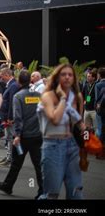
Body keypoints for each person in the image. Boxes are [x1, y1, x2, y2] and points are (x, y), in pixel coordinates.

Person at [38, 63, 84, 199]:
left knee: (77, 192)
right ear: (57, 78)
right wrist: (63, 98)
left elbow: (79, 124)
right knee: (51, 194)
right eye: (63, 74)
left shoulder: (77, 97)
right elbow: (55, 119)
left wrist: (86, 144)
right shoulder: (48, 96)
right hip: (52, 145)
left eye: (70, 75)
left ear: (74, 78)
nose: (67, 77)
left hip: (72, 146)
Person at [0, 71, 43, 198]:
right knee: (38, 165)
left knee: (16, 163)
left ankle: (8, 185)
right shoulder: (38, 95)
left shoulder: (18, 96)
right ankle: (43, 191)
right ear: (30, 81)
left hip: (23, 137)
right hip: (37, 136)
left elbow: (18, 118)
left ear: (19, 82)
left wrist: (17, 135)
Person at [0, 68, 21, 167]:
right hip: (8, 117)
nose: (0, 78)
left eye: (1, 75)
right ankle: (9, 157)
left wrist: (10, 118)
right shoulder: (12, 85)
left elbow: (12, 103)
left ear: (6, 74)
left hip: (10, 118)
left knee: (11, 138)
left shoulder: (13, 85)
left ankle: (12, 159)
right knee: (9, 138)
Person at [82, 69, 97, 134]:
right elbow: (82, 95)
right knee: (86, 129)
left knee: (96, 129)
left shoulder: (97, 85)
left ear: (93, 78)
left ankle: (96, 143)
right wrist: (84, 100)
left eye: (89, 76)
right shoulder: (86, 85)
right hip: (86, 110)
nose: (87, 78)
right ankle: (87, 142)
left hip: (94, 110)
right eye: (87, 76)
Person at [95, 67, 105, 159]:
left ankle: (99, 151)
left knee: (100, 130)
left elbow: (97, 99)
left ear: (99, 75)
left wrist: (96, 107)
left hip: (100, 111)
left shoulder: (98, 85)